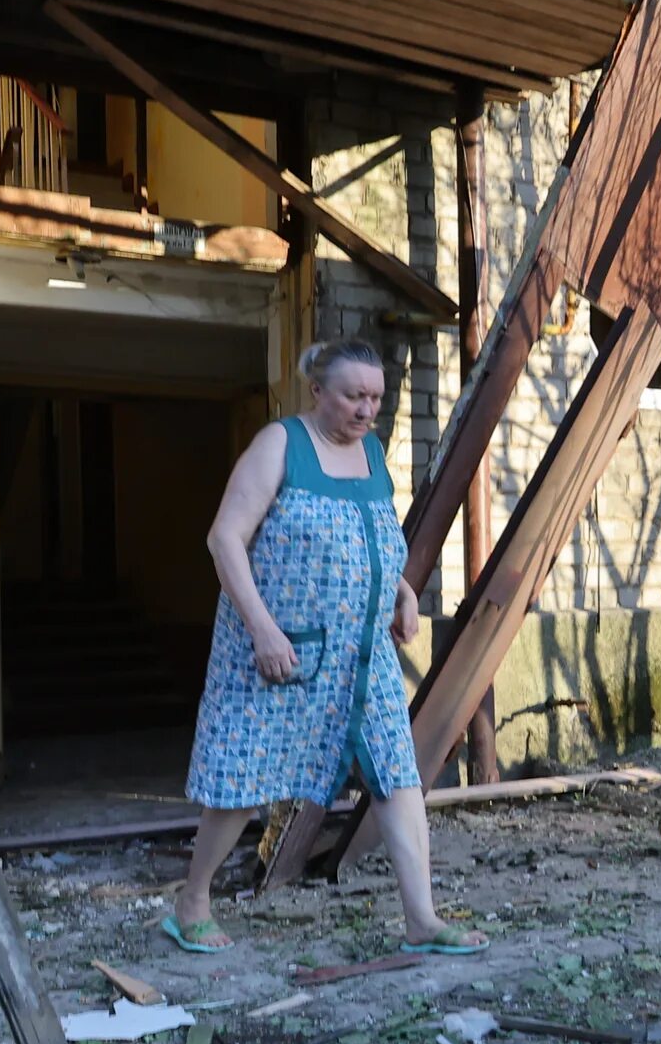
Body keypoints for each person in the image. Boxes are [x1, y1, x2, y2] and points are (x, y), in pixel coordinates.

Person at [164, 339, 478, 957]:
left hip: (362, 657)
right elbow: (225, 539)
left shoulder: (372, 453)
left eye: (376, 398)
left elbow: (380, 537)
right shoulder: (279, 445)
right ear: (317, 391)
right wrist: (262, 628)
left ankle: (423, 919)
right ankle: (192, 900)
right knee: (243, 779)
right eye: (353, 396)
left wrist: (402, 592)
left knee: (397, 775)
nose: (367, 410)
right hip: (280, 652)